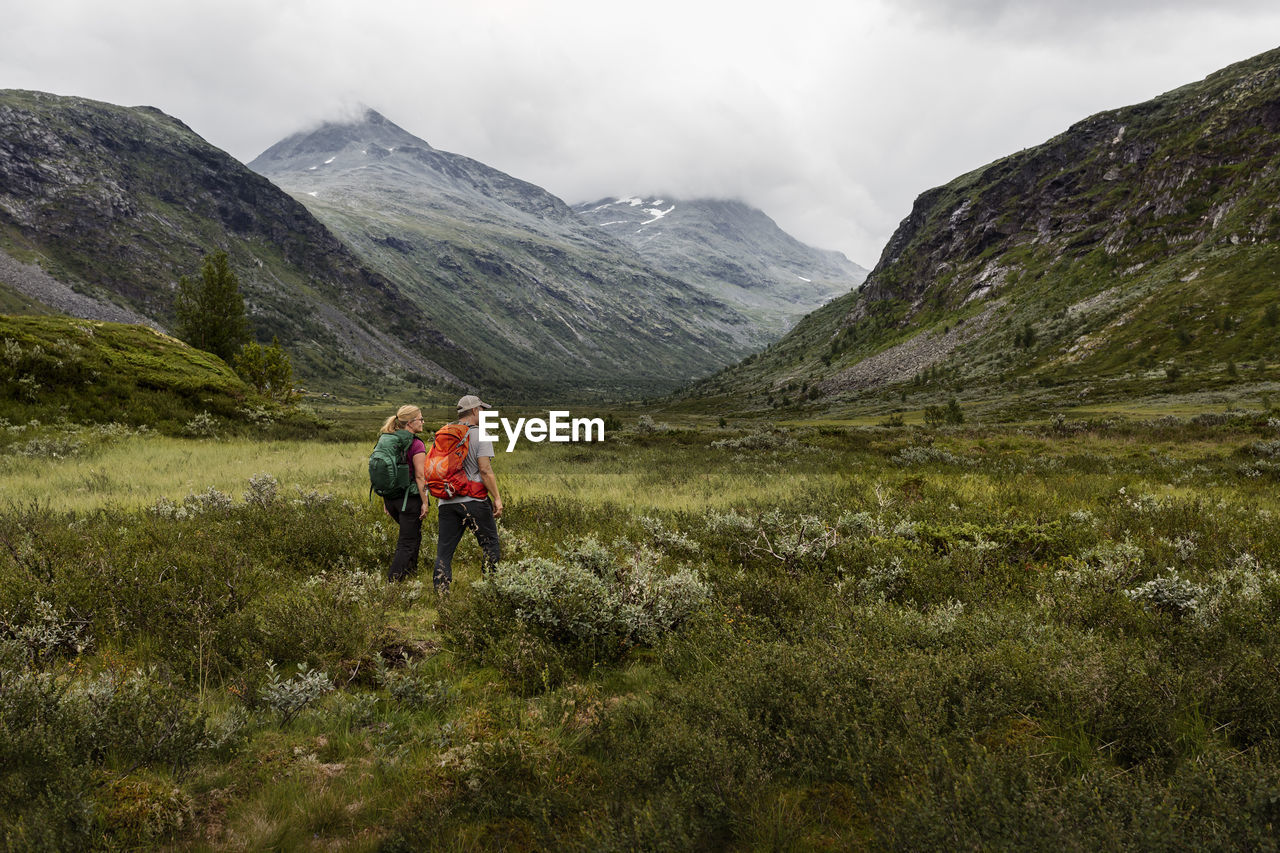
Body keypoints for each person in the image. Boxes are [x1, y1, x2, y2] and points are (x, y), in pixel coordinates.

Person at [434, 394, 503, 593]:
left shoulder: (444, 433)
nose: (484, 414)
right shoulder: (481, 434)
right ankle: (490, 590)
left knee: (444, 551)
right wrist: (497, 498)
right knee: (490, 544)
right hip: (474, 500)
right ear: (474, 411)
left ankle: (441, 593)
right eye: (482, 410)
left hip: (446, 501)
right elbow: (485, 470)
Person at [379, 405, 429, 581]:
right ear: (410, 422)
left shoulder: (387, 440)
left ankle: (411, 575)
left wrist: (386, 500)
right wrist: (425, 501)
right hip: (409, 500)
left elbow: (383, 471)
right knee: (406, 543)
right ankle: (392, 584)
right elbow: (420, 475)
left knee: (413, 535)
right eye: (420, 419)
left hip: (391, 499)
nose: (423, 422)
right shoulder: (416, 444)